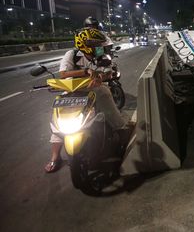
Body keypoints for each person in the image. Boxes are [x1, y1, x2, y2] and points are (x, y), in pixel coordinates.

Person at [44, 28, 132, 173]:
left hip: (95, 89)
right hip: (73, 90)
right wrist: (86, 72)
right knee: (57, 121)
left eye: (99, 44)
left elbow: (108, 71)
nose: (99, 47)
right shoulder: (71, 55)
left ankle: (120, 128)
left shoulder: (100, 54)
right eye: (95, 44)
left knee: (105, 95)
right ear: (85, 44)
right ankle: (55, 157)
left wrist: (99, 78)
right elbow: (63, 73)